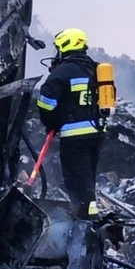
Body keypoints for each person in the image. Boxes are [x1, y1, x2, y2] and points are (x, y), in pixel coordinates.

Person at [36, 28, 104, 220]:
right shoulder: (96, 69)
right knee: (87, 177)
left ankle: (86, 220)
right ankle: (89, 214)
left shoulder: (63, 71)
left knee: (76, 180)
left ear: (65, 46)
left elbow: (46, 102)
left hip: (75, 135)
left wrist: (51, 123)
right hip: (97, 133)